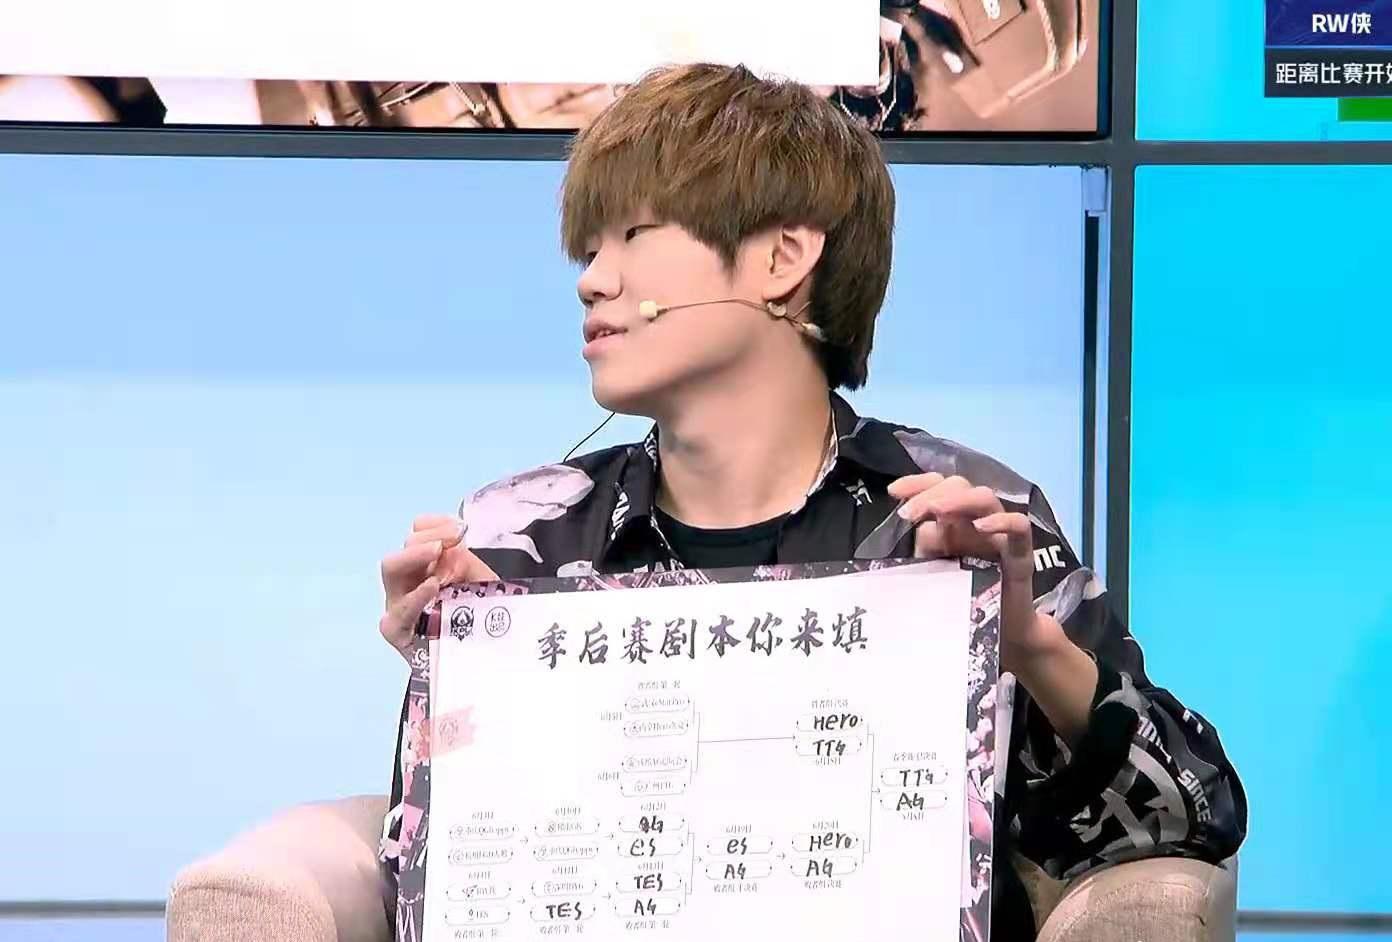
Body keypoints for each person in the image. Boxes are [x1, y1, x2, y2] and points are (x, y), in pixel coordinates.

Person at [376, 62, 1246, 938]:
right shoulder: (522, 537)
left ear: (782, 260)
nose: (592, 280)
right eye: (589, 249)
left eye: (632, 233)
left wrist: (1022, 640)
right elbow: (437, 874)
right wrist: (472, 677)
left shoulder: (959, 515)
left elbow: (1192, 820)